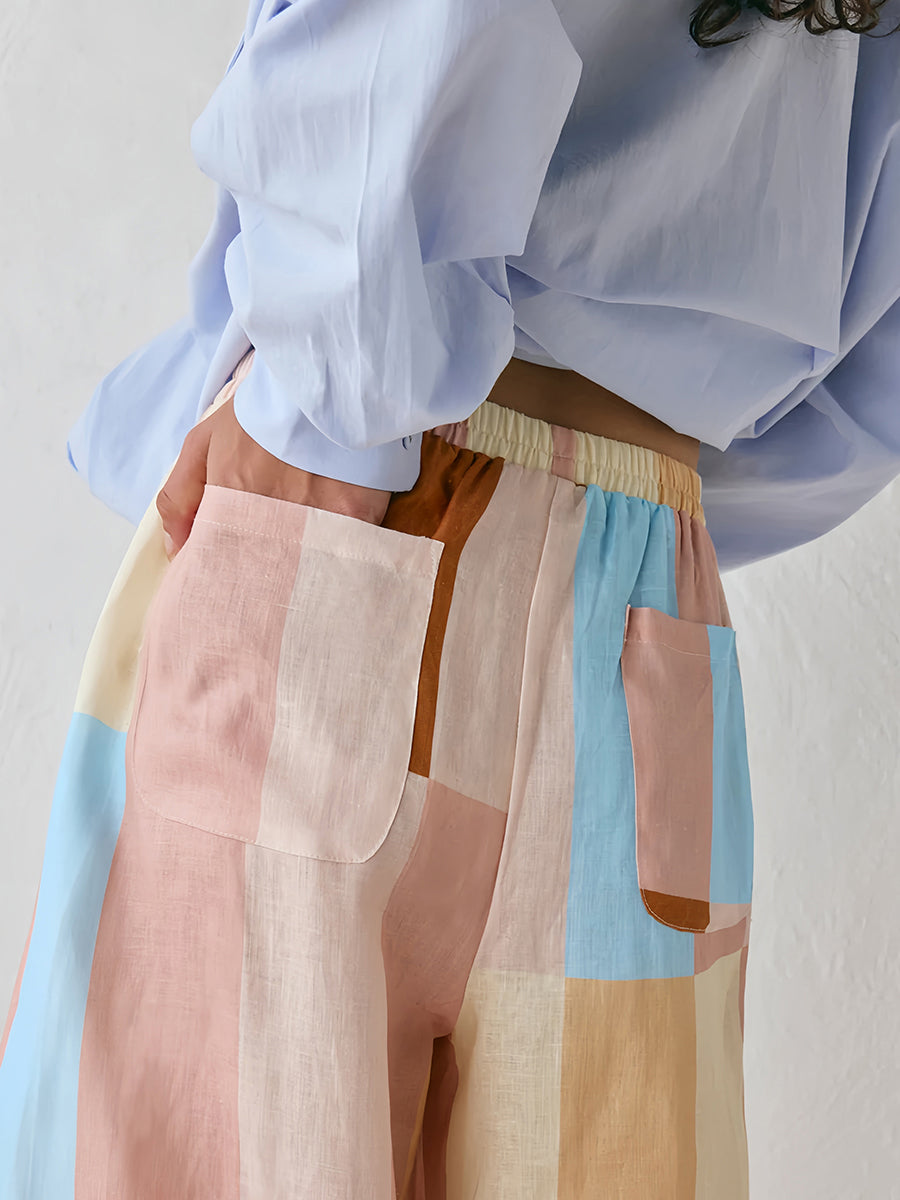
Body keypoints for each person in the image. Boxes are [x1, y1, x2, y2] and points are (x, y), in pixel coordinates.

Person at [2, 0, 899, 1196]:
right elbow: (872, 382)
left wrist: (322, 407)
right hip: (642, 596)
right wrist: (632, 530)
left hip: (350, 503)